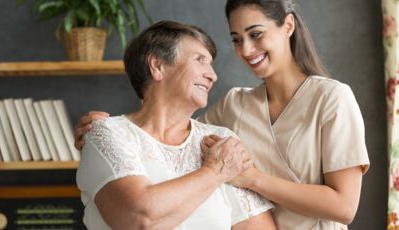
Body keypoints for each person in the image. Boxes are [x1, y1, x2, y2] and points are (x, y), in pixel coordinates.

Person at [75, 0, 370, 229]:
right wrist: (102, 130)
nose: (246, 49)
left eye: (256, 34)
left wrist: (251, 179)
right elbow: (169, 134)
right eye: (237, 39)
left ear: (288, 25)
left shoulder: (332, 98)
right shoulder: (235, 105)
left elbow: (344, 206)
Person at [76, 20, 276, 230]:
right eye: (200, 60)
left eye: (210, 64)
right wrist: (215, 172)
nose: (212, 75)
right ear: (157, 66)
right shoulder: (106, 133)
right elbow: (138, 219)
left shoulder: (220, 141)